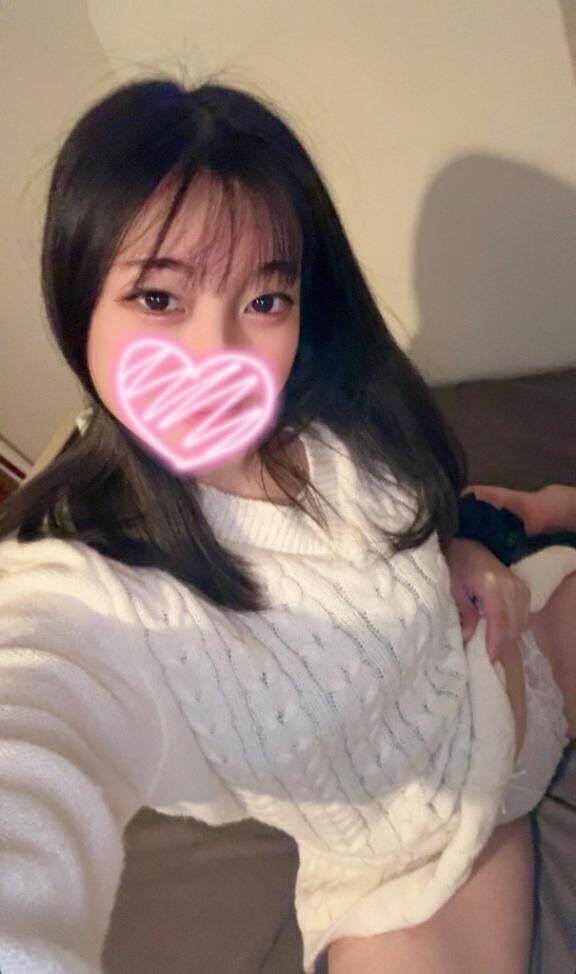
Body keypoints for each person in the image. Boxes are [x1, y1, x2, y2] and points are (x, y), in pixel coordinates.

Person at [0, 77, 574, 974]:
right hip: (411, 874)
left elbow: (403, 529)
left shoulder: (337, 422)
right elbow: (32, 719)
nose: (217, 355)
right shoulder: (94, 583)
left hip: (510, 680)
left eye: (264, 300)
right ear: (80, 301)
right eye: (160, 298)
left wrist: (464, 549)